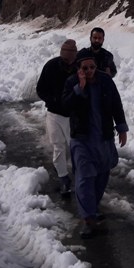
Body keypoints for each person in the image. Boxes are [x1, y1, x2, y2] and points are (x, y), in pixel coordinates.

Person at [62, 48, 128, 238]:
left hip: (104, 137)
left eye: (92, 67)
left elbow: (116, 103)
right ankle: (88, 218)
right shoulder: (72, 82)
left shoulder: (106, 81)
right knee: (84, 178)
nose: (90, 70)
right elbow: (66, 107)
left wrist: (122, 128)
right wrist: (79, 88)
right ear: (79, 68)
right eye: (85, 67)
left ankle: (93, 205)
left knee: (102, 175)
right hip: (81, 140)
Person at [36, 39, 78, 197]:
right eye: (64, 55)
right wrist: (52, 99)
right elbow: (40, 89)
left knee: (74, 147)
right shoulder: (51, 66)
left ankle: (80, 178)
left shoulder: (79, 68)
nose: (67, 60)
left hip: (73, 115)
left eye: (70, 56)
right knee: (58, 146)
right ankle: (64, 178)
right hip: (54, 113)